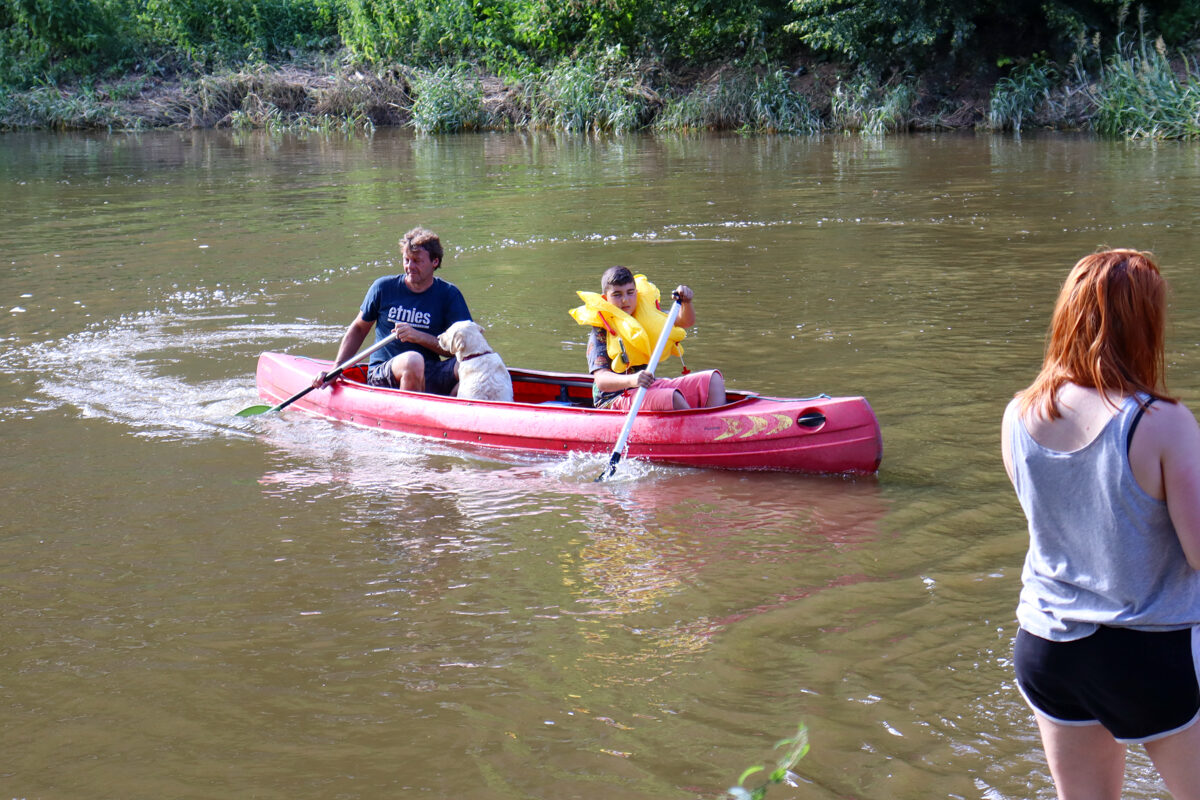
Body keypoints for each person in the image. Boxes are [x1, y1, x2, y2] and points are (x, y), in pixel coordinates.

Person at [1001, 248, 1200, 800]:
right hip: (1148, 651)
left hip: (1048, 644)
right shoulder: (1162, 422)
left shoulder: (1018, 414)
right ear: (1145, 324)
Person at [313, 227, 471, 394]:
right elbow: (359, 328)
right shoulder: (383, 287)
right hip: (384, 372)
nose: (410, 266)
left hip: (429, 370)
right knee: (413, 360)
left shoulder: (449, 294)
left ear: (435, 262)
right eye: (406, 260)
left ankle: (454, 403)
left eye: (417, 261)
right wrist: (336, 369)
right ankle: (410, 407)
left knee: (475, 361)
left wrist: (419, 337)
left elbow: (462, 348)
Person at [578, 265, 725, 411]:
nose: (625, 300)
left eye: (630, 293)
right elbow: (602, 380)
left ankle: (713, 423)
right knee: (672, 397)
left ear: (636, 292)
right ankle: (696, 424)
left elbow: (685, 322)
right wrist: (632, 380)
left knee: (713, 380)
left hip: (648, 388)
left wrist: (686, 302)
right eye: (617, 295)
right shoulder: (601, 332)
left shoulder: (646, 316)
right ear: (605, 298)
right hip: (614, 398)